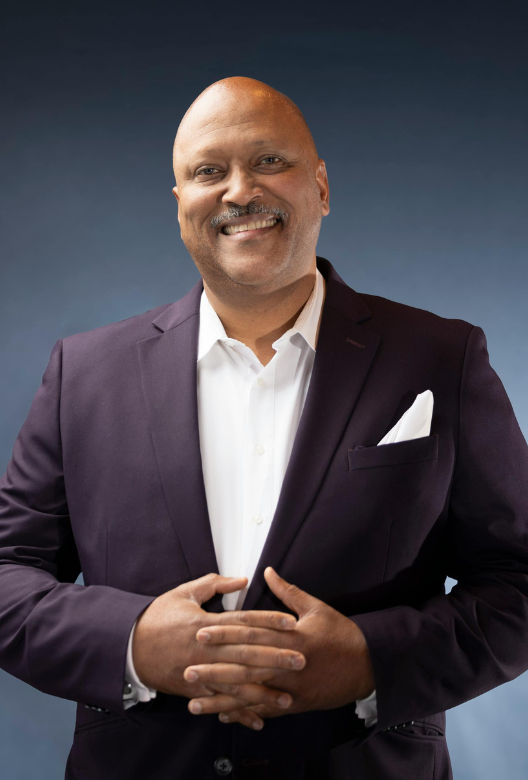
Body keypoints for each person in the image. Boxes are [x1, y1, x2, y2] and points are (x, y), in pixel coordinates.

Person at [1, 77, 527, 780]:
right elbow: (8, 575)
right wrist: (130, 644)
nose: (239, 191)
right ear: (181, 204)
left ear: (321, 186)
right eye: (208, 172)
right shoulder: (83, 373)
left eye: (269, 162)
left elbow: (518, 579)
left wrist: (372, 661)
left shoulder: (442, 357)